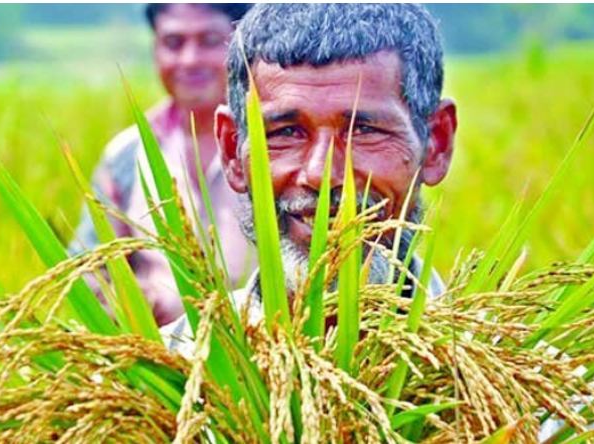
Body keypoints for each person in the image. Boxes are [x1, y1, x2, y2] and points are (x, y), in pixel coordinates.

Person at [163, 3, 457, 351]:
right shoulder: (171, 371)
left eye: (364, 130)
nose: (320, 174)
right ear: (232, 152)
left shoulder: (519, 389)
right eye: (286, 132)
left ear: (436, 144)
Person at [69, 4, 254, 326]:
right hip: (160, 363)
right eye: (173, 43)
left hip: (269, 357)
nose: (189, 59)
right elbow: (87, 268)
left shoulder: (282, 143)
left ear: (243, 44)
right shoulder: (128, 153)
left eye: (210, 41)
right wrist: (133, 302)